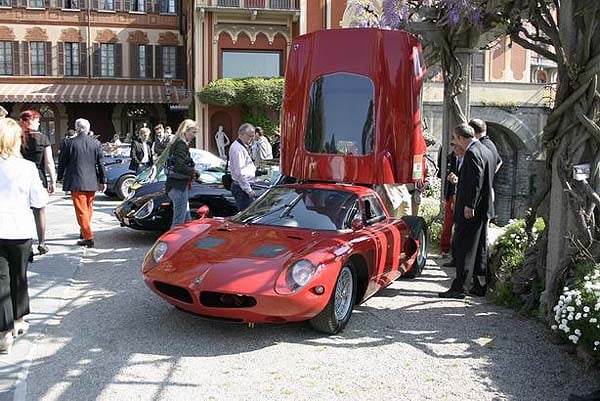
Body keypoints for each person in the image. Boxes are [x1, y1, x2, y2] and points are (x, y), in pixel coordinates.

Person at [0, 118, 49, 353]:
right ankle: (19, 320)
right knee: (19, 276)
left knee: (1, 280)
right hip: (20, 229)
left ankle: (4, 332)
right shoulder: (27, 167)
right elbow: (39, 201)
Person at [439, 123, 494, 299]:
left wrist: (469, 205)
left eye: (455, 139)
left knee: (464, 247)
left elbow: (475, 181)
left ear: (462, 138)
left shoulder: (472, 152)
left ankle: (459, 288)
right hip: (483, 208)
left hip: (471, 210)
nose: (455, 143)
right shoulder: (485, 150)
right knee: (478, 249)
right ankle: (478, 285)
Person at [57, 118, 107, 248]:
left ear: (77, 128)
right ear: (88, 129)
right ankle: (84, 231)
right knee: (88, 209)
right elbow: (101, 163)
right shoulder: (96, 143)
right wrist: (103, 180)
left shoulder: (69, 143)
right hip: (91, 181)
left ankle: (88, 236)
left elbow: (62, 162)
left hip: (76, 180)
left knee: (81, 211)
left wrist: (59, 176)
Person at [165, 119, 199, 228]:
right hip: (178, 186)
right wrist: (193, 171)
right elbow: (180, 166)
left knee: (186, 219)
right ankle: (172, 244)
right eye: (193, 132)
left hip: (176, 186)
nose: (194, 135)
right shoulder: (181, 144)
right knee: (178, 222)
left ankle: (187, 243)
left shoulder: (176, 143)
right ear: (185, 130)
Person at [19, 110, 57, 194]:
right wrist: (52, 180)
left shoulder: (17, 138)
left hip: (20, 176)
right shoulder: (43, 138)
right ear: (29, 121)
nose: (38, 124)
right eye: (37, 121)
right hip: (38, 176)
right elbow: (49, 162)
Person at [438, 142, 462, 256]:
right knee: (447, 222)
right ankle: (444, 249)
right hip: (450, 194)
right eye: (453, 145)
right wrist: (445, 195)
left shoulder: (467, 158)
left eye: (456, 145)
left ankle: (456, 251)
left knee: (458, 223)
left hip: (460, 194)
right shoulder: (450, 157)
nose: (454, 148)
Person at [229, 123, 257, 210]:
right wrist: (248, 190)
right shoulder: (237, 149)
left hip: (243, 185)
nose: (251, 139)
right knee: (246, 216)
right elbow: (239, 172)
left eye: (253, 136)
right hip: (242, 187)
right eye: (249, 136)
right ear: (241, 134)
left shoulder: (241, 146)